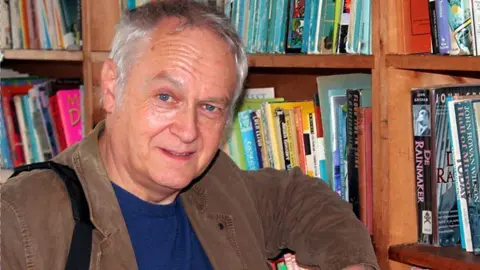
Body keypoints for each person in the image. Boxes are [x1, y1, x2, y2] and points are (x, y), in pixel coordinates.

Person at [1, 1, 379, 269]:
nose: (187, 132)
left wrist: (352, 264)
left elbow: (300, 198)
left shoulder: (217, 181)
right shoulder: (23, 217)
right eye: (166, 97)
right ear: (113, 88)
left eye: (210, 107)